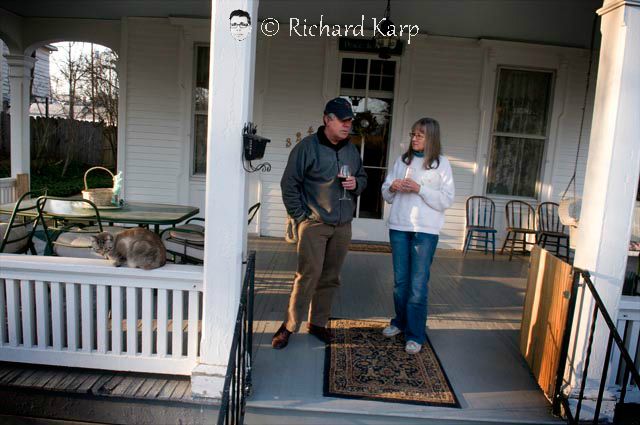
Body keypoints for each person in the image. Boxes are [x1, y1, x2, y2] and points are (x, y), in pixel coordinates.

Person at [272, 97, 367, 349]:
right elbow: (288, 184)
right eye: (342, 120)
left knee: (331, 277)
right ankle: (289, 326)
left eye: (350, 121)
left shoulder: (351, 149)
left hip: (343, 225)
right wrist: (301, 216)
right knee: (307, 276)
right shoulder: (306, 148)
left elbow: (363, 177)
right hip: (315, 223)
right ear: (327, 119)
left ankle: (318, 323)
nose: (348, 125)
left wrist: (356, 184)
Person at [380, 117, 455, 354]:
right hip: (400, 228)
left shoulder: (442, 164)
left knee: (418, 285)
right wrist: (392, 188)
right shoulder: (403, 161)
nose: (414, 138)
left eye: (419, 135)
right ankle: (399, 323)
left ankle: (415, 334)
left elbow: (446, 200)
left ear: (431, 137)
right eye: (413, 134)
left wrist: (420, 189)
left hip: (425, 232)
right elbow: (386, 192)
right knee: (401, 283)